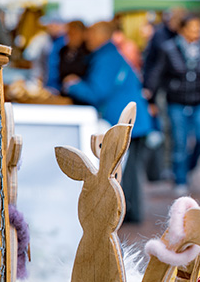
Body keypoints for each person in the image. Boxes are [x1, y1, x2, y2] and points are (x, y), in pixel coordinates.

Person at [62, 21, 153, 223]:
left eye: (92, 33)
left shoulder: (106, 57)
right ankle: (127, 213)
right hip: (133, 121)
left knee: (127, 173)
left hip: (129, 122)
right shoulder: (109, 55)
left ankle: (126, 214)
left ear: (102, 35)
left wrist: (72, 85)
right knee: (129, 171)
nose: (87, 37)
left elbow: (97, 92)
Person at [144, 14, 200, 194]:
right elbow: (157, 74)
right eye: (192, 28)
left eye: (198, 28)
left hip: (199, 101)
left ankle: (187, 167)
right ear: (182, 30)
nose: (196, 32)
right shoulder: (168, 49)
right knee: (180, 143)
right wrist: (151, 98)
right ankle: (180, 180)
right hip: (176, 102)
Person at [55, 20, 90, 90]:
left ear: (83, 34)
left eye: (74, 34)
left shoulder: (88, 52)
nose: (71, 37)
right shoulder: (63, 51)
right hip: (63, 90)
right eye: (69, 34)